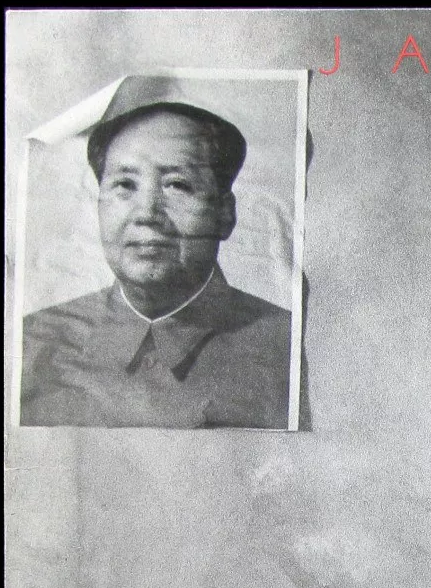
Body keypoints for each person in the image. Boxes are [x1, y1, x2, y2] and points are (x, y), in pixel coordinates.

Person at [20, 85, 292, 429]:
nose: (147, 213)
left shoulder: (288, 346)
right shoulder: (31, 342)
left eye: (177, 185)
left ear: (224, 213)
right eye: (125, 185)